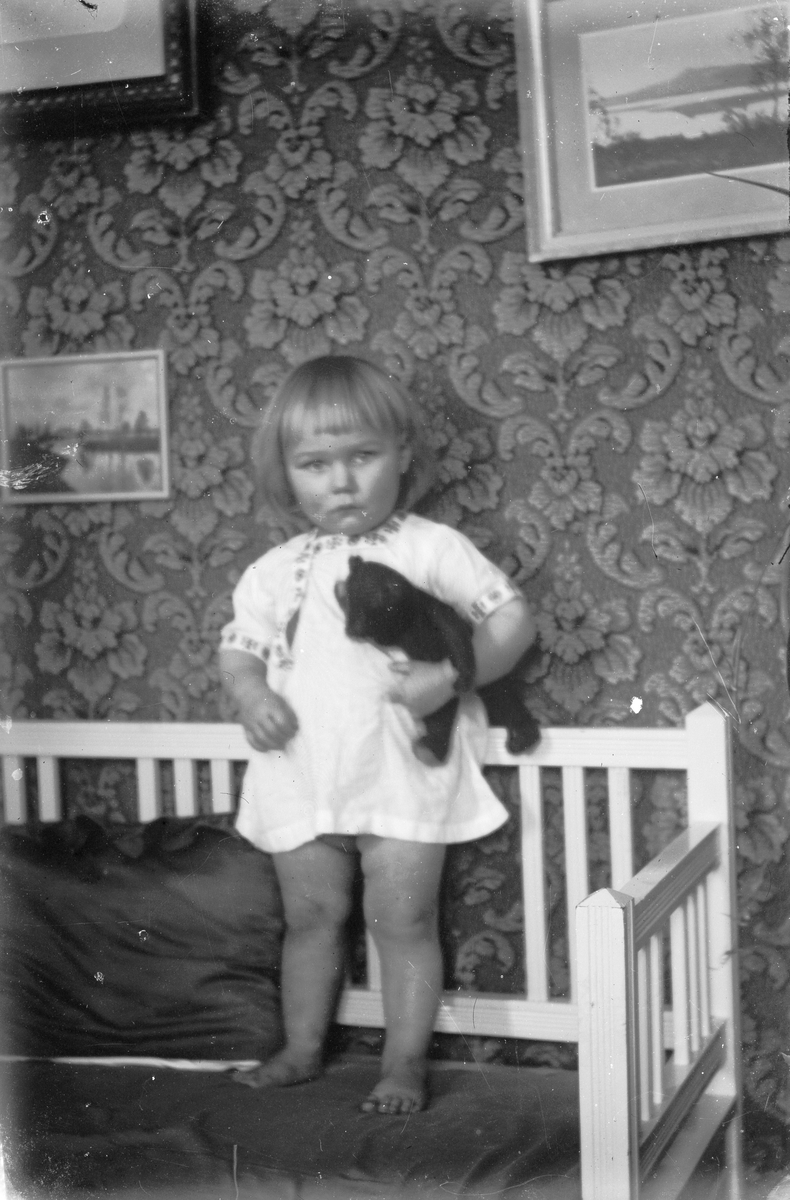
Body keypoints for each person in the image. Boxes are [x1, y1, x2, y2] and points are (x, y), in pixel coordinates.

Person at [218, 354, 535, 1115]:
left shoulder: (429, 546)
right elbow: (240, 649)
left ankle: (404, 1064)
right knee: (310, 918)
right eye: (315, 464)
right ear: (286, 473)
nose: (342, 482)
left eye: (362, 456)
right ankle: (301, 1049)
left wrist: (452, 677)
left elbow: (511, 618)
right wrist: (250, 693)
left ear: (403, 455)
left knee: (403, 919)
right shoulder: (273, 570)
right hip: (301, 769)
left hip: (400, 768)